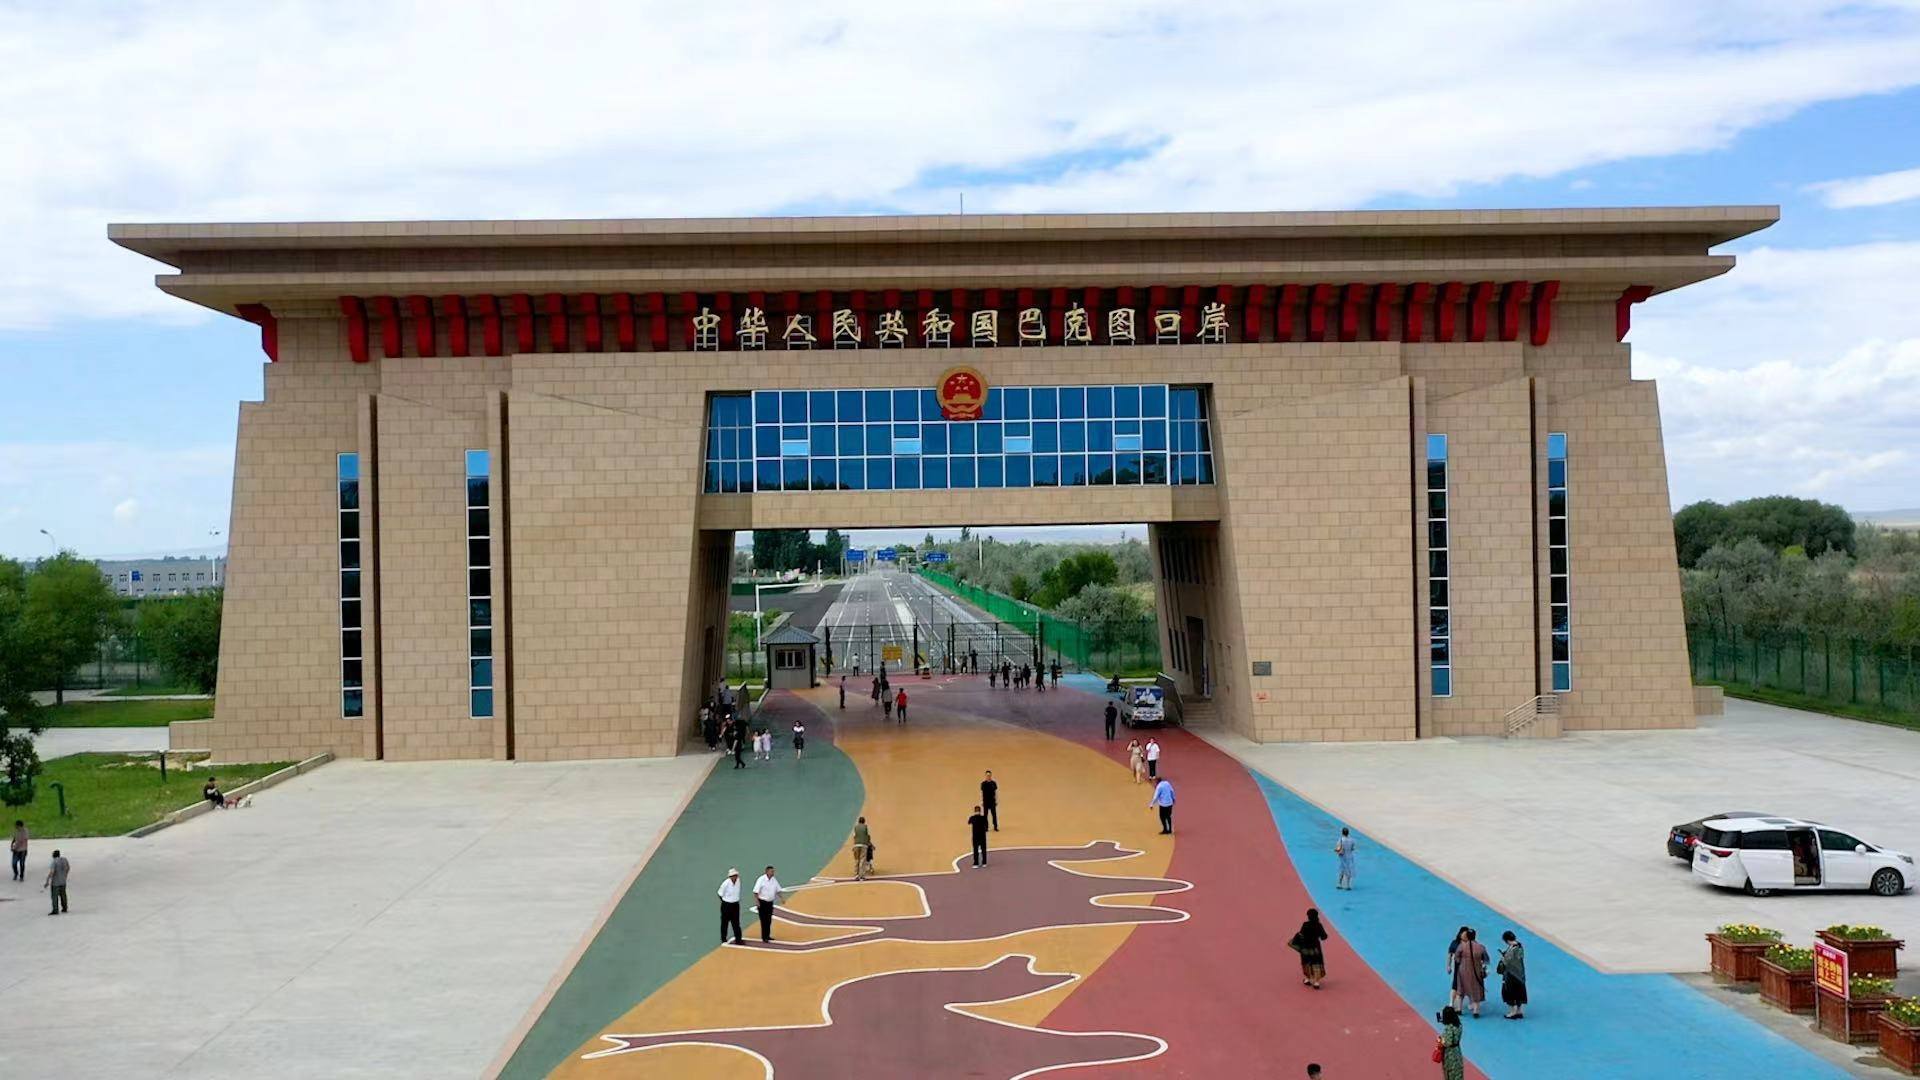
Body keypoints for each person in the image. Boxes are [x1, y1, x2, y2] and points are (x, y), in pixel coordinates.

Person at [1449, 928, 1489, 1018]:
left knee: (1461, 989)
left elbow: (1456, 958)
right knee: (1476, 989)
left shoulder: (1462, 946)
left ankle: (1459, 1009)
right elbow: (1486, 959)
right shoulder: (1480, 947)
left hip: (1463, 970)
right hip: (1476, 971)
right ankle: (1476, 1011)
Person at [1289, 908, 1328, 989]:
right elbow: (1324, 937)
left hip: (1306, 947)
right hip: (1316, 947)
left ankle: (1308, 979)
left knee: (1306, 962)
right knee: (1316, 962)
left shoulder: (1305, 924)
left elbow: (1301, 934)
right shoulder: (1319, 925)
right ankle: (1316, 982)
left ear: (1308, 916)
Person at [1498, 931, 1527, 1020]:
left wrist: (1503, 958)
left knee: (1509, 992)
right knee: (1519, 991)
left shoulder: (1513, 949)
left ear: (1506, 940)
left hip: (1511, 974)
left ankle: (1512, 1011)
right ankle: (1519, 1010)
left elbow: (1507, 961)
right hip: (1520, 974)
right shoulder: (1519, 946)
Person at [752, 866, 784, 942]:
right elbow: (756, 892)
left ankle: (767, 935)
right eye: (771, 871)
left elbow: (778, 890)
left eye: (773, 871)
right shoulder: (761, 879)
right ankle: (764, 937)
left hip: (770, 903)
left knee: (769, 920)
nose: (773, 873)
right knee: (764, 920)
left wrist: (782, 898)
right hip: (762, 903)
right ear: (767, 872)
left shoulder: (774, 880)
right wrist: (757, 902)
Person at [1436, 1006, 1465, 1080]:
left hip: (1450, 1054)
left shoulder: (1449, 1028)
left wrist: (1440, 1040)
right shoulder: (1459, 1025)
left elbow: (1448, 1043)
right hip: (1457, 1052)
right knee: (1458, 1074)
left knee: (1450, 1074)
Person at [717, 868, 744, 944]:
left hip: (735, 905)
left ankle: (738, 939)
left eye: (736, 875)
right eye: (733, 876)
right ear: (730, 877)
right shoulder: (725, 884)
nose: (735, 877)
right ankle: (723, 939)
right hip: (727, 905)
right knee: (725, 923)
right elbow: (720, 894)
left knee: (736, 923)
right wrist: (725, 902)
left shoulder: (738, 881)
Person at [44, 849, 71, 915]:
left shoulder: (54, 862)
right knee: (63, 895)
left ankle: (55, 910)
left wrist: (47, 880)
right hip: (63, 881)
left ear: (53, 855)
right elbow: (68, 868)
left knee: (54, 897)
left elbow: (52, 872)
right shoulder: (64, 860)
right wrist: (65, 875)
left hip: (55, 883)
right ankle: (65, 908)